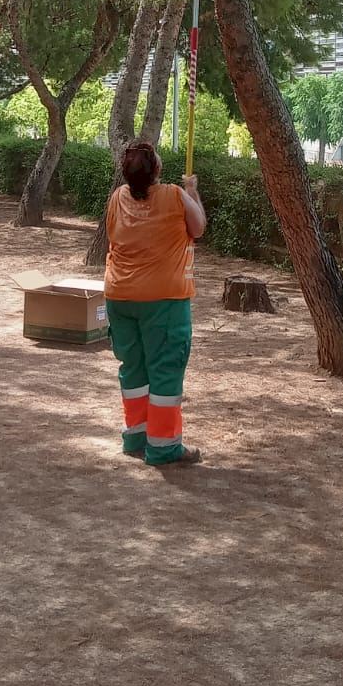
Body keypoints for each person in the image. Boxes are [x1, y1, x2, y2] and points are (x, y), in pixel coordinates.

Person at [104, 140, 206, 466]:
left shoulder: (118, 197)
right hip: (164, 300)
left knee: (133, 369)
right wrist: (192, 192)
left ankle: (136, 437)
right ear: (157, 169)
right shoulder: (174, 195)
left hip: (119, 296)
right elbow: (198, 228)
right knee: (164, 372)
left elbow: (112, 234)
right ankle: (163, 447)